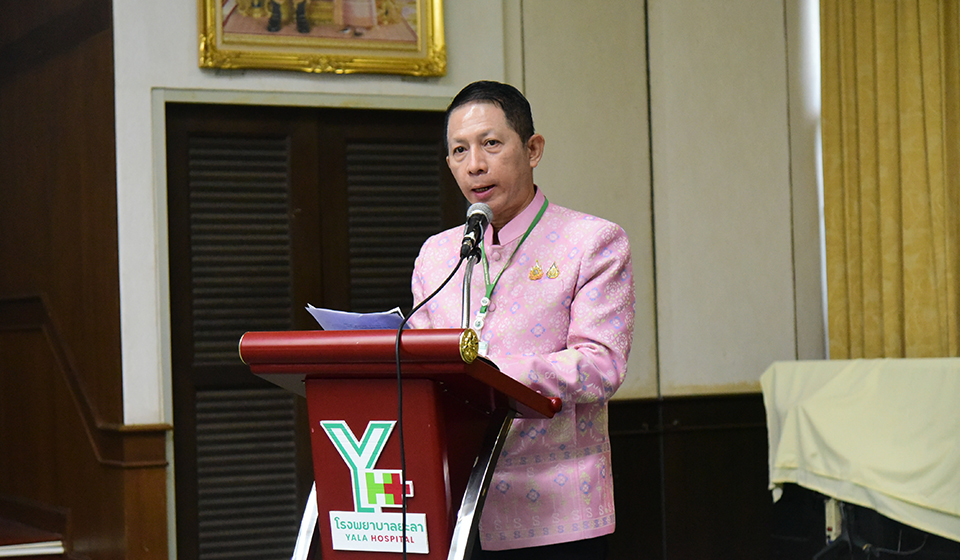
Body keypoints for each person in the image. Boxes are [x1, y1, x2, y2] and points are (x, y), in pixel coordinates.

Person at [408, 80, 636, 559]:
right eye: (459, 150)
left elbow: (601, 365)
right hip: (456, 506)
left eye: (491, 143)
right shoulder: (438, 254)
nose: (475, 164)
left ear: (532, 150)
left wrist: (486, 371)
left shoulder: (592, 242)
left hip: (557, 512)